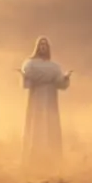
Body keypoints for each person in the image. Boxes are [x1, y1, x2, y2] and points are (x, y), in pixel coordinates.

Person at [20, 36, 71, 166]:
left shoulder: (54, 66)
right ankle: (33, 159)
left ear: (48, 48)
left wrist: (65, 78)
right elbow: (29, 75)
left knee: (50, 126)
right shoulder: (30, 64)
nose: (43, 47)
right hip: (37, 97)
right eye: (41, 45)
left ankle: (51, 160)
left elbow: (59, 82)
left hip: (50, 98)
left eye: (45, 45)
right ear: (37, 47)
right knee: (36, 125)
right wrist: (47, 78)